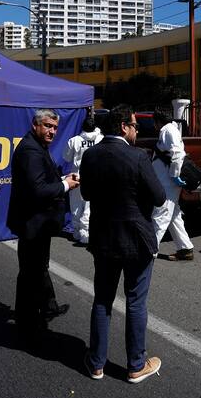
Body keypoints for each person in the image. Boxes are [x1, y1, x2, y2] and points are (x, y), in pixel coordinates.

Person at [80, 104, 166, 383]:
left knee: (103, 300)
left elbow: (87, 193)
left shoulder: (91, 155)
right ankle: (135, 365)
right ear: (123, 127)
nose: (137, 130)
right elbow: (158, 197)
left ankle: (96, 363)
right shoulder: (138, 157)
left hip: (104, 238)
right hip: (136, 239)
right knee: (136, 302)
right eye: (134, 126)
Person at [7, 109, 80, 346]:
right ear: (35, 124)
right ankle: (26, 325)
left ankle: (48, 306)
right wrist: (66, 186)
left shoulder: (36, 146)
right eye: (48, 126)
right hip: (33, 223)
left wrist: (61, 180)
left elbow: (40, 181)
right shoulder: (30, 150)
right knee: (30, 273)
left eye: (55, 127)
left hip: (39, 222)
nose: (52, 131)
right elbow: (38, 190)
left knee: (38, 267)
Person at [151, 109, 194, 261]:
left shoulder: (168, 130)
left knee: (160, 216)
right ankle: (185, 248)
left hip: (168, 182)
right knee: (173, 215)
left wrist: (174, 175)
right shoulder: (169, 130)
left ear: (157, 121)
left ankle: (149, 251)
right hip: (167, 181)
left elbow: (177, 153)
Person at [63, 117, 103, 245]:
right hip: (94, 176)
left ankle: (76, 232)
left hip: (77, 176)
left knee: (75, 206)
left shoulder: (74, 140)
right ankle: (86, 234)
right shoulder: (100, 139)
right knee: (89, 205)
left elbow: (67, 157)